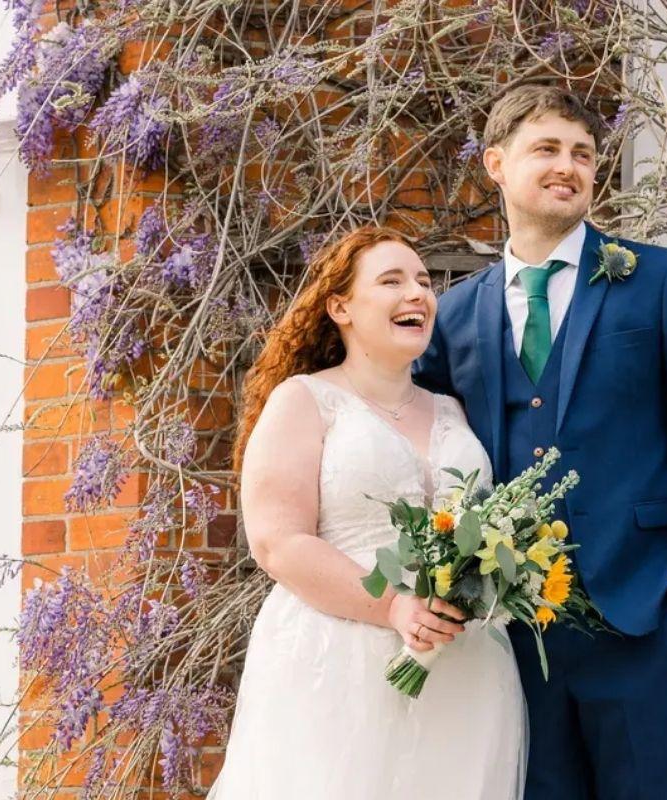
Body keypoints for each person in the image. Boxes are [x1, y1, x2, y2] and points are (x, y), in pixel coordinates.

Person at [413, 84, 667, 799]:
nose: (569, 166)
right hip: (508, 640)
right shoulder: (458, 312)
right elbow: (419, 442)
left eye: (584, 154)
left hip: (644, 620)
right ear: (496, 164)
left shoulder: (657, 281)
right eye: (547, 149)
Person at [209, 227, 526, 799]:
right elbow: (276, 542)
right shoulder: (305, 400)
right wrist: (396, 606)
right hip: (336, 661)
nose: (418, 294)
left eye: (425, 283)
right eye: (392, 281)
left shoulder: (452, 409)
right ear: (341, 307)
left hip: (462, 670)